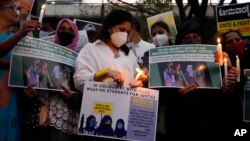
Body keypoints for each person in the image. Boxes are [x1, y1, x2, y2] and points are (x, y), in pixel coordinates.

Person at [23, 19, 81, 141]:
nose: (66, 32)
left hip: (67, 119)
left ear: (76, 34)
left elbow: (83, 91)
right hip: (43, 116)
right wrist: (31, 93)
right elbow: (35, 82)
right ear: (57, 31)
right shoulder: (43, 55)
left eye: (70, 30)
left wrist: (73, 98)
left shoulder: (81, 58)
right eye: (63, 29)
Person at [73, 9, 148, 92]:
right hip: (99, 103)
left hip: (125, 103)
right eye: (122, 30)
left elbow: (137, 78)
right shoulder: (90, 49)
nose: (125, 34)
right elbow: (79, 81)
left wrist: (140, 79)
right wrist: (103, 74)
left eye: (127, 32)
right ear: (110, 28)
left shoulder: (129, 54)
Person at [0, 1, 41, 141]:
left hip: (12, 105)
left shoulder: (21, 41)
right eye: (12, 6)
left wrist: (31, 89)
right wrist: (20, 34)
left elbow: (25, 72)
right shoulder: (17, 37)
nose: (17, 9)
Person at [214, 29, 250, 139]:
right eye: (230, 42)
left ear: (243, 42)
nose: (234, 43)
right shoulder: (218, 69)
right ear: (223, 47)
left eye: (237, 39)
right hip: (233, 123)